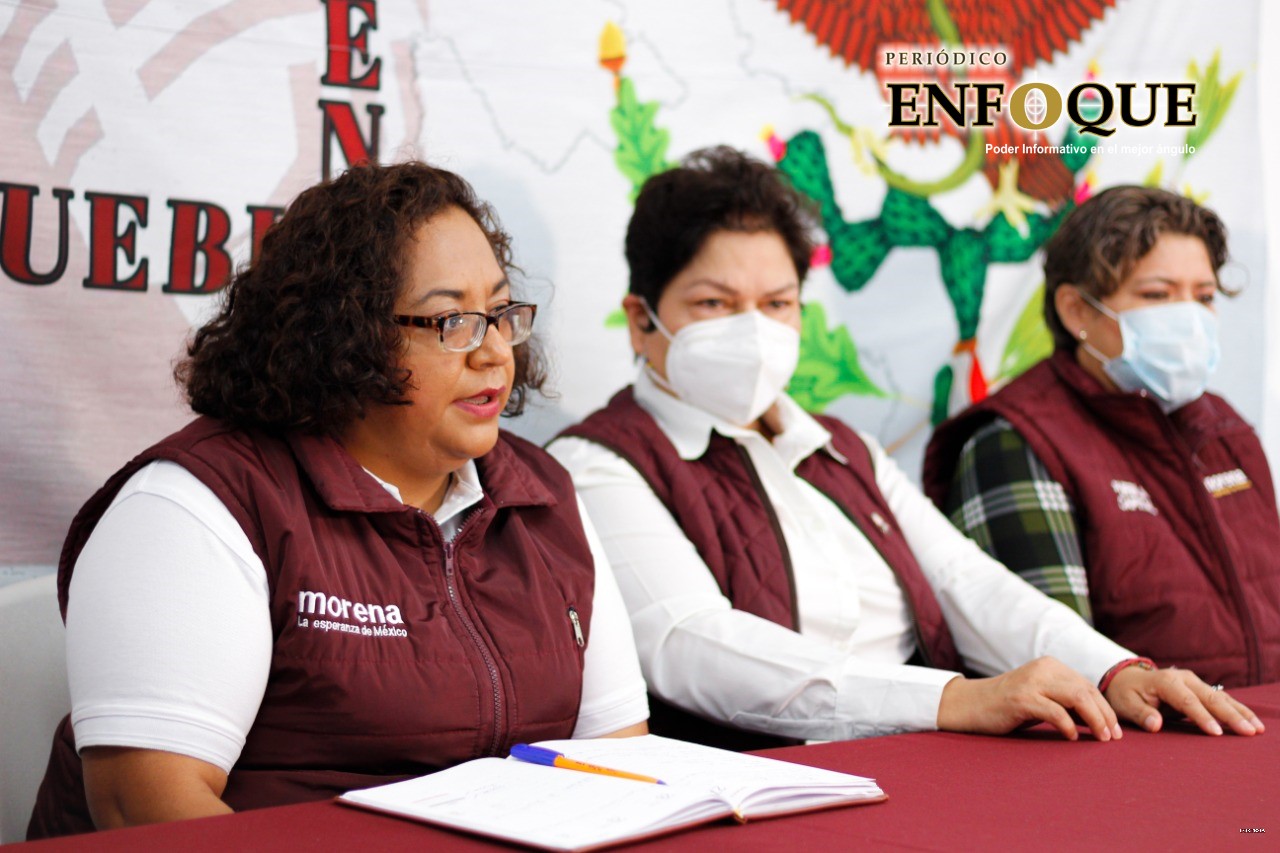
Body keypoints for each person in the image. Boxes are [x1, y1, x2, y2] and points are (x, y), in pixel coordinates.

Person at [548, 148, 1262, 751]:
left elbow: (964, 579)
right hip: (761, 787)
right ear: (641, 320)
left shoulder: (840, 447)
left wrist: (1116, 670)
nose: (753, 330)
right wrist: (951, 698)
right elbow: (690, 643)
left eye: (777, 303)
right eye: (714, 304)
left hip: (921, 760)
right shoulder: (598, 464)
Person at [28, 162, 647, 838]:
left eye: (500, 314)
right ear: (343, 338)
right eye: (451, 322)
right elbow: (146, 808)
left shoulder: (543, 493)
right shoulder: (195, 506)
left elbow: (616, 764)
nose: (495, 352)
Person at [923, 185, 1280, 688]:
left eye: (1203, 297)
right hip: (1145, 735)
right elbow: (1058, 672)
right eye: (1157, 295)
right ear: (1077, 311)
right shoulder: (1016, 442)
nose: (1190, 318)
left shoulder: (1223, 426)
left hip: (1257, 728)